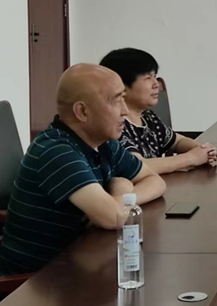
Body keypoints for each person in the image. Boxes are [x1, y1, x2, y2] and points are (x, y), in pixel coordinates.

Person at [0, 64, 166, 275]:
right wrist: (122, 190)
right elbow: (111, 217)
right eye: (116, 100)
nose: (125, 110)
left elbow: (155, 181)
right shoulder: (55, 151)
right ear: (82, 111)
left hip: (79, 264)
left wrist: (120, 196)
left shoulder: (104, 143)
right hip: (36, 282)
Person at [100, 48, 216, 175]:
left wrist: (201, 149)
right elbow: (137, 166)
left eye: (155, 76)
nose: (156, 84)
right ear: (121, 86)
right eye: (147, 78)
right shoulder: (116, 124)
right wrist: (191, 158)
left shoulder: (147, 117)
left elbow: (177, 141)